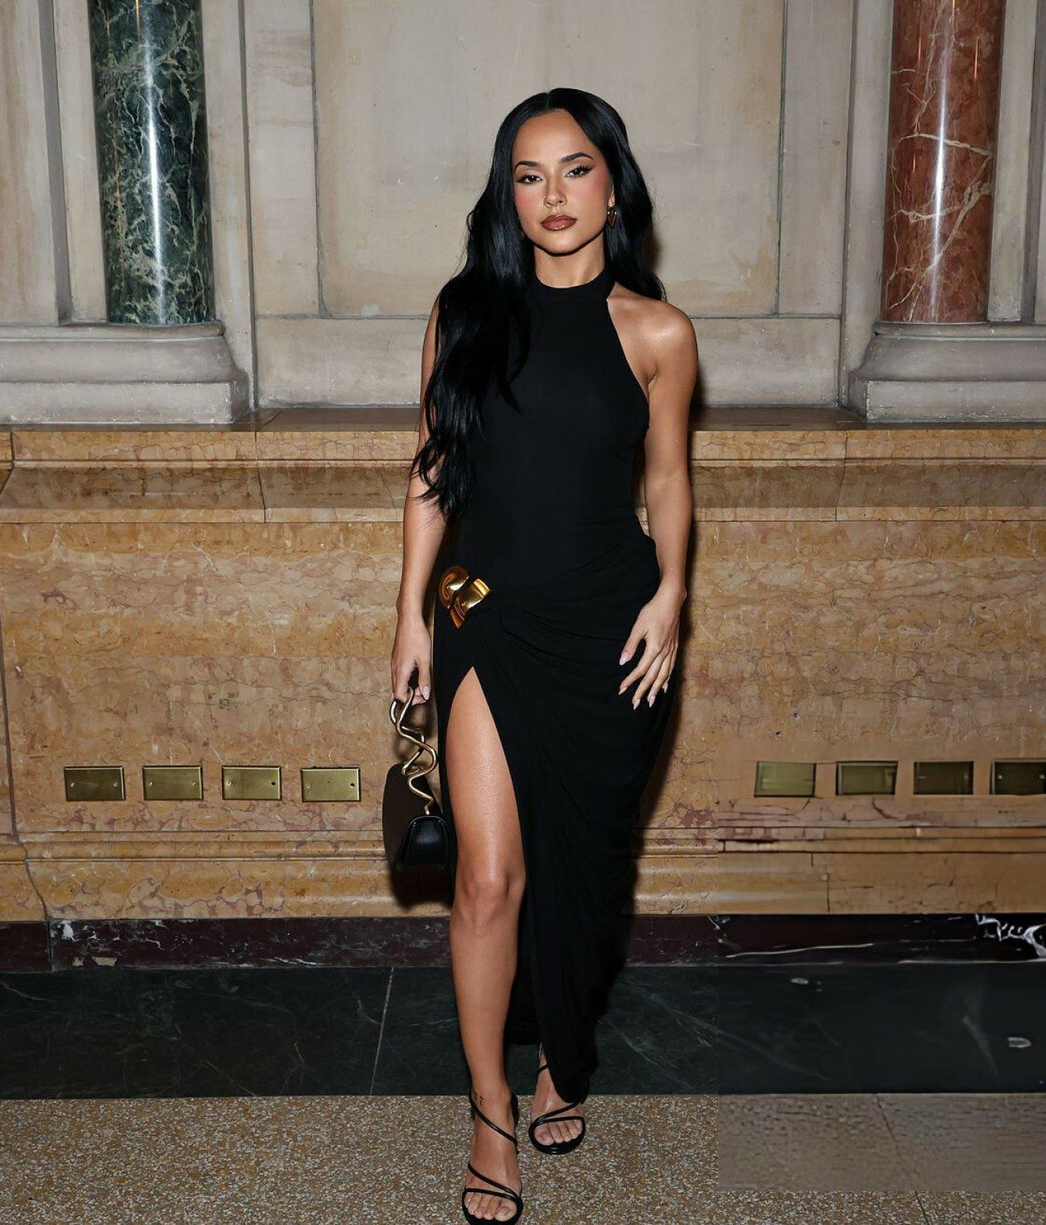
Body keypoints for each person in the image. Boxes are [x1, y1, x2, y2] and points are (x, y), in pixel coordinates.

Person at [388, 88, 697, 1222]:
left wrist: (673, 594)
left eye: (575, 169)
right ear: (506, 194)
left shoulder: (657, 333)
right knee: (487, 874)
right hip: (488, 618)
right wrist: (409, 614)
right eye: (529, 174)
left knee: (589, 873)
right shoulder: (465, 313)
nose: (553, 195)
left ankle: (567, 1050)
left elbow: (667, 479)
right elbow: (435, 468)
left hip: (613, 632)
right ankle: (489, 1107)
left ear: (613, 185)